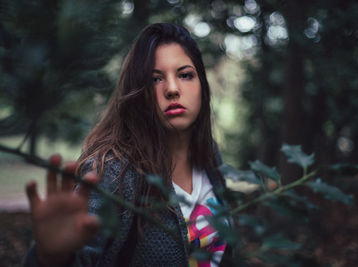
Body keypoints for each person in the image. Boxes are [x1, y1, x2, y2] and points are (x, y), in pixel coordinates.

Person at [23, 23, 232, 267]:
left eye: (185, 75)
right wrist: (51, 258)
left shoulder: (209, 155)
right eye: (155, 79)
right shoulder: (113, 172)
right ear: (138, 91)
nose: (173, 89)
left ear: (202, 86)